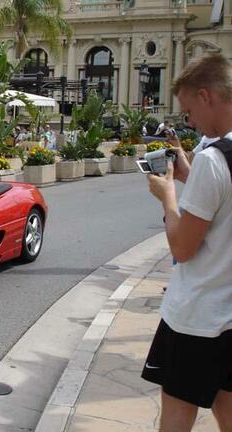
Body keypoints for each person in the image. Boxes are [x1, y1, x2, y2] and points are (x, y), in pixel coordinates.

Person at [142, 53, 232, 432]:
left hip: (198, 318)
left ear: (206, 95)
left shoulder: (214, 161)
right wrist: (189, 177)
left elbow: (183, 247)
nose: (189, 120)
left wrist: (167, 196)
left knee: (176, 418)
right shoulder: (215, 161)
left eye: (189, 109)